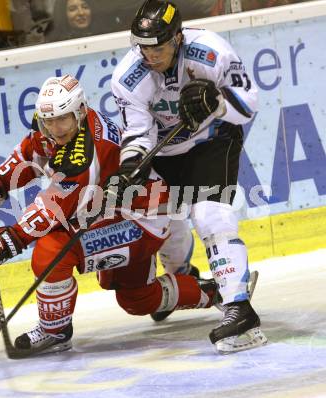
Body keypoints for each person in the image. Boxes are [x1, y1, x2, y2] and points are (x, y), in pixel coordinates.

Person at [0, 74, 220, 356]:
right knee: (137, 299)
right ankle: (215, 292)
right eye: (48, 120)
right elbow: (25, 158)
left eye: (62, 119)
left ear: (80, 112)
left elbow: (53, 210)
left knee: (51, 251)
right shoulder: (55, 129)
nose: (56, 128)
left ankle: (55, 331)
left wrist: (6, 241)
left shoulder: (87, 153)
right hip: (116, 209)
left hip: (140, 219)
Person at [109, 0, 267, 354]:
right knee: (164, 225)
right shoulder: (127, 77)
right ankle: (185, 279)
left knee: (210, 215)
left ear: (178, 38)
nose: (150, 55)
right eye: (143, 47)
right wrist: (130, 165)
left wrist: (217, 103)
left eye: (158, 47)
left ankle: (239, 307)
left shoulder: (212, 52)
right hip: (163, 153)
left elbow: (249, 102)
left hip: (211, 141)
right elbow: (137, 133)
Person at [45, 0, 110, 43]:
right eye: (73, 9)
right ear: (63, 15)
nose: (81, 13)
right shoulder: (54, 44)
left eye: (85, 7)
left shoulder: (107, 36)